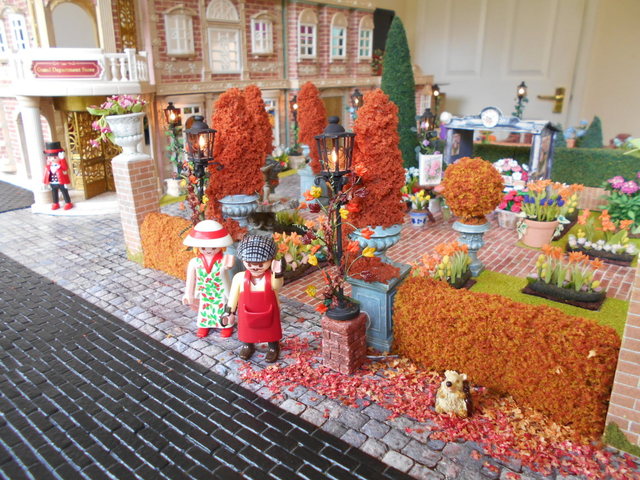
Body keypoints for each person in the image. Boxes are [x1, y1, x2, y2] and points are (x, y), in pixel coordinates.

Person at [222, 235, 284, 363]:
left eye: (261, 264)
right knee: (247, 330)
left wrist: (278, 273)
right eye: (250, 264)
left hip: (269, 310)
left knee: (271, 330)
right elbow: (233, 296)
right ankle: (247, 345)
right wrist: (230, 311)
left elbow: (277, 285)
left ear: (271, 261)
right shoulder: (239, 278)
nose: (255, 267)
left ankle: (273, 346)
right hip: (246, 311)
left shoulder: (270, 277)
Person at [182, 220, 235, 338]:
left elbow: (229, 266)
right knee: (205, 308)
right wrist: (188, 293)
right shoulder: (195, 262)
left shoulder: (224, 260)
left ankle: (226, 325)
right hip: (205, 291)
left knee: (223, 307)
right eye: (204, 248)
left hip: (220, 290)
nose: (209, 250)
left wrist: (228, 265)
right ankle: (204, 324)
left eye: (213, 247)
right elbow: (190, 279)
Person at [42, 142, 73, 210]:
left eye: (55, 157)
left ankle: (68, 203)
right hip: (53, 182)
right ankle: (55, 203)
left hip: (61, 182)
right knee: (54, 193)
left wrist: (62, 159)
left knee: (64, 192)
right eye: (50, 158)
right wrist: (45, 183)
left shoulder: (60, 166)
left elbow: (65, 168)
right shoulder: (48, 167)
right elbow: (46, 175)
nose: (52, 159)